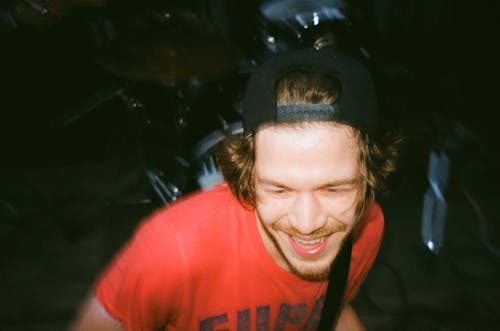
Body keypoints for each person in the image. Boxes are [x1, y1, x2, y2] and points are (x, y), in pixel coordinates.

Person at [69, 46, 400, 331]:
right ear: (248, 174)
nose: (307, 223)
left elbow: (330, 309)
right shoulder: (172, 252)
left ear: (370, 175)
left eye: (334, 190)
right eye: (279, 189)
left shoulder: (366, 228)